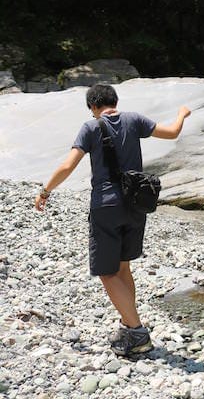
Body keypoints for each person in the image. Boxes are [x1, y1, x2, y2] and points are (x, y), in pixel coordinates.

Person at [34, 83, 191, 358]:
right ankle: (129, 326)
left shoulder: (91, 127)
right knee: (123, 268)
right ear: (115, 100)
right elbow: (173, 132)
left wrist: (45, 191)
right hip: (136, 205)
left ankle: (137, 331)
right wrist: (182, 113)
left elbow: (68, 165)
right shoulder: (135, 120)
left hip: (106, 206)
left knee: (106, 273)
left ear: (93, 107)